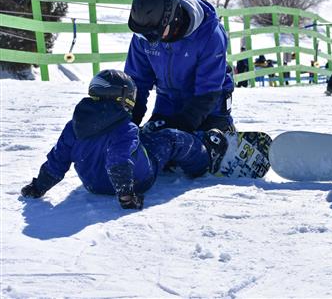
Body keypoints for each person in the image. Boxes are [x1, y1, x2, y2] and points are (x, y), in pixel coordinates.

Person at [20, 70, 228, 210]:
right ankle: (206, 158)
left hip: (93, 185)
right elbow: (118, 160)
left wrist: (38, 187)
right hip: (138, 181)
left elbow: (57, 161)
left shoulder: (74, 126)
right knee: (172, 139)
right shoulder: (124, 128)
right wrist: (127, 196)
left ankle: (147, 139)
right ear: (124, 98)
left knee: (139, 140)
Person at [125, 0, 234, 133]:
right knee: (153, 147)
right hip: (167, 104)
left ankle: (224, 135)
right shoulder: (144, 36)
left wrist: (182, 126)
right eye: (143, 34)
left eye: (155, 33)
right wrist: (129, 124)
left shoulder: (210, 35)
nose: (150, 39)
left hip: (209, 107)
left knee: (192, 151)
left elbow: (208, 89)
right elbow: (137, 83)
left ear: (173, 19)